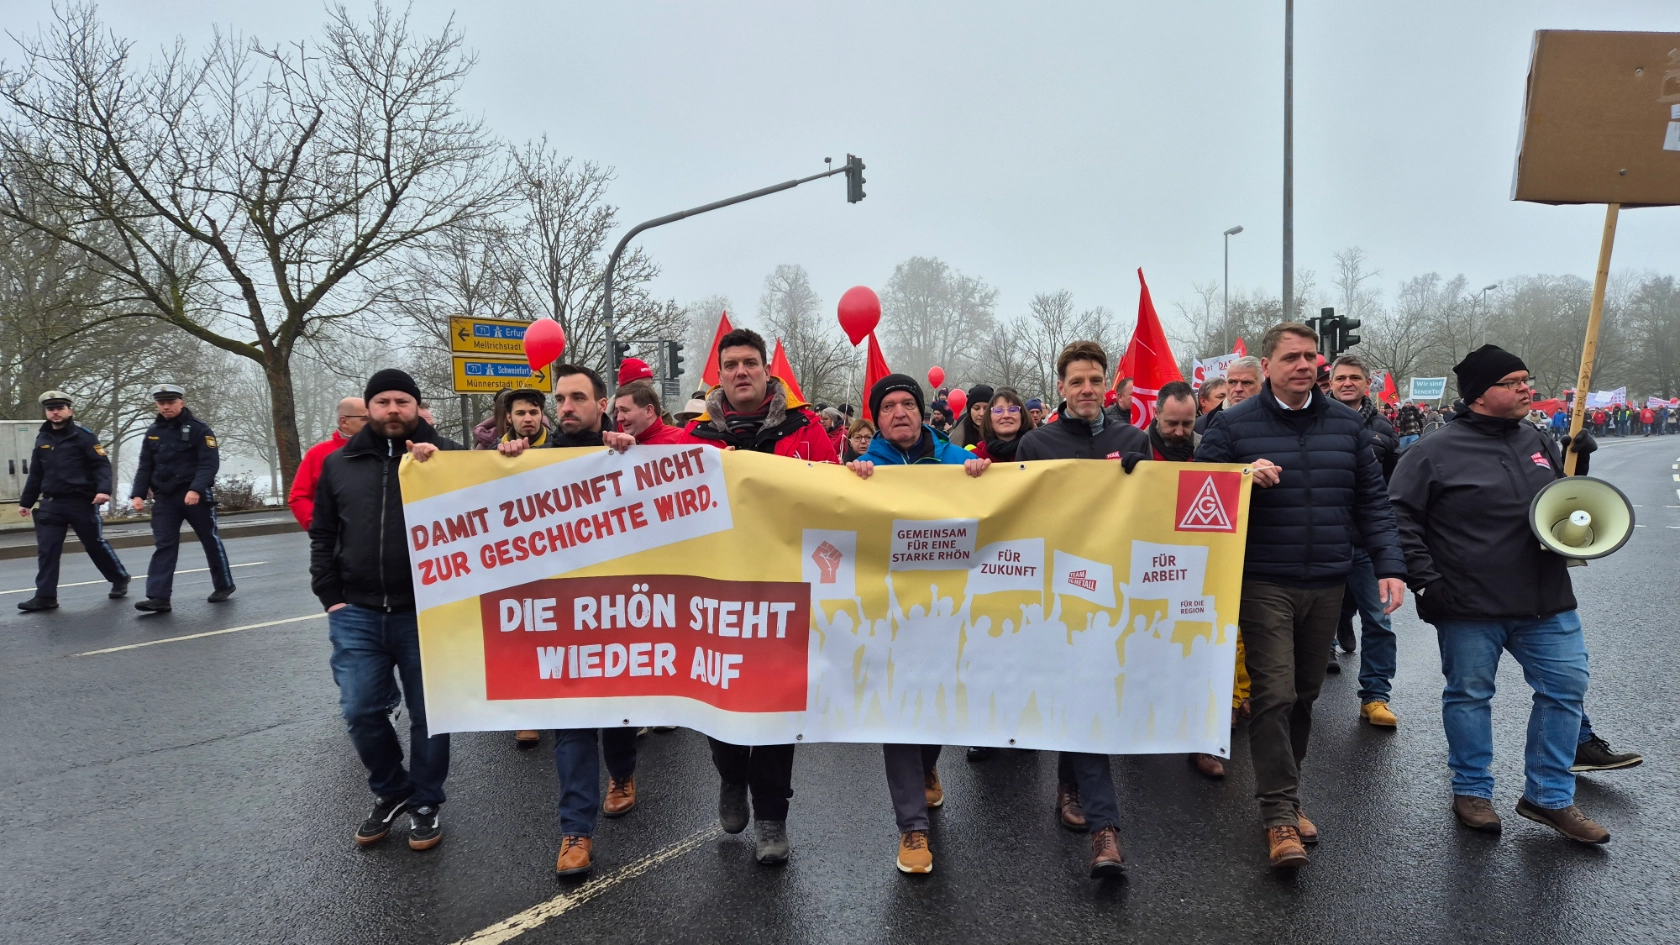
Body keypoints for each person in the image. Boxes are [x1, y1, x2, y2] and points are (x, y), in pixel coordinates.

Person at [1196, 322, 1406, 870]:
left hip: (1329, 580)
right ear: (1266, 366)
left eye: (1311, 356)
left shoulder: (1347, 424)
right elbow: (1195, 489)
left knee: (1306, 695)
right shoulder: (1233, 424)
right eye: (1291, 357)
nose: (1304, 365)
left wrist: (1390, 566)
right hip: (1263, 579)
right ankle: (1278, 817)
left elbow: (1373, 503)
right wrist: (1240, 474)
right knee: (1274, 693)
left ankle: (1286, 793)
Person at [1388, 345, 1610, 843]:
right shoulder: (1432, 451)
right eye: (1512, 382)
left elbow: (1563, 509)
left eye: (1525, 380)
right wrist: (1425, 581)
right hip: (1469, 603)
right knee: (1469, 696)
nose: (1524, 389)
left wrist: (1580, 472)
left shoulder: (1538, 438)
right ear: (1480, 395)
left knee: (1566, 688)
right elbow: (1399, 517)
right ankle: (1472, 791)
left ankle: (1549, 797)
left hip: (1545, 598)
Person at [679, 328, 837, 865]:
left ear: (768, 372)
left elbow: (837, 497)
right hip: (715, 593)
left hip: (784, 590)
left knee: (774, 708)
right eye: (731, 365)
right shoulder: (694, 438)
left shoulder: (807, 430)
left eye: (750, 363)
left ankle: (772, 817)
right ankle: (731, 777)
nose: (741, 372)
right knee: (719, 697)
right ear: (718, 376)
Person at [496, 364, 642, 872]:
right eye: (560, 399)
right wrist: (508, 463)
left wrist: (638, 455)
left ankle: (622, 774)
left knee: (619, 717)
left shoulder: (626, 453)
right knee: (572, 725)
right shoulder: (536, 457)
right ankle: (575, 832)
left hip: (623, 610)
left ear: (602, 404)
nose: (565, 407)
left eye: (578, 397)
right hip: (564, 616)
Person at [310, 369, 461, 852]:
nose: (392, 410)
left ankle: (425, 802)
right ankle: (392, 789)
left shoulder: (450, 458)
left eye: (402, 401)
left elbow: (502, 494)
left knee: (429, 714)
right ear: (368, 409)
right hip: (356, 611)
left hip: (426, 613)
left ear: (417, 407)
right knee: (360, 711)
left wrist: (445, 463)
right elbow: (323, 533)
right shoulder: (340, 465)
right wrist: (329, 593)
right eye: (383, 402)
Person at [845, 374, 990, 875]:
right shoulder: (864, 467)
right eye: (889, 407)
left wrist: (985, 476)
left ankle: (929, 764)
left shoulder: (955, 460)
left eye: (909, 403)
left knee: (937, 701)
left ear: (923, 410)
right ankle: (912, 828)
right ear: (877, 419)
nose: (900, 412)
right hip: (888, 611)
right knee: (900, 710)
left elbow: (997, 506)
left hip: (949, 608)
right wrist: (847, 479)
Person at [1016, 340, 1148, 879]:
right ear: (1061, 388)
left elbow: (1160, 500)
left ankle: (1070, 783)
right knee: (1083, 692)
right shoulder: (1037, 442)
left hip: (1117, 591)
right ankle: (1105, 830)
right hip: (1059, 595)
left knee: (1093, 693)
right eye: (1077, 382)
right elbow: (1016, 510)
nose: (1087, 390)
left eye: (1096, 380)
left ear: (1106, 385)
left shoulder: (1132, 439)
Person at [1324, 356, 1403, 725]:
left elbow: (1392, 488)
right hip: (1322, 541)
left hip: (1366, 544)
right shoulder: (1313, 420)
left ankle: (1375, 696)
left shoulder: (1383, 429)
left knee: (1378, 620)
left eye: (1355, 377)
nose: (1347, 383)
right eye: (1340, 377)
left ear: (1367, 383)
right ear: (1330, 381)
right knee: (1311, 618)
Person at [15, 390, 130, 611]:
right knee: (47, 550)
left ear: (70, 410)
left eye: (59, 408)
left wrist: (104, 490)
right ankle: (46, 597)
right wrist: (26, 502)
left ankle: (119, 577)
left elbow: (101, 465)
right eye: (51, 409)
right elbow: (36, 474)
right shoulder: (43, 438)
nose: (55, 412)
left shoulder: (84, 436)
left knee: (94, 545)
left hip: (81, 502)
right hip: (51, 504)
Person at [128, 384, 234, 612]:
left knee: (209, 540)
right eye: (161, 403)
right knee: (164, 545)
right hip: (165, 497)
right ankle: (159, 597)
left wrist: (196, 489)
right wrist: (138, 493)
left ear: (181, 403)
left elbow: (209, 464)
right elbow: (145, 465)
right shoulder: (153, 431)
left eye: (170, 402)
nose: (166, 407)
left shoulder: (199, 430)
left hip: (195, 496)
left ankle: (223, 584)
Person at [289, 397, 368, 531]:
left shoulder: (385, 449)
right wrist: (319, 526)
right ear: (344, 422)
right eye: (366, 419)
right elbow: (299, 497)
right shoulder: (317, 454)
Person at [607, 382, 687, 446]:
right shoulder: (617, 446)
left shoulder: (682, 440)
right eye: (618, 411)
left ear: (649, 411)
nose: (619, 418)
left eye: (625, 410)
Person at [969, 388, 1036, 461]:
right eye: (998, 411)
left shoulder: (1039, 450)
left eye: (1013, 410)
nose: (1006, 415)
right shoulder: (975, 457)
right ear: (989, 419)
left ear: (1022, 416)